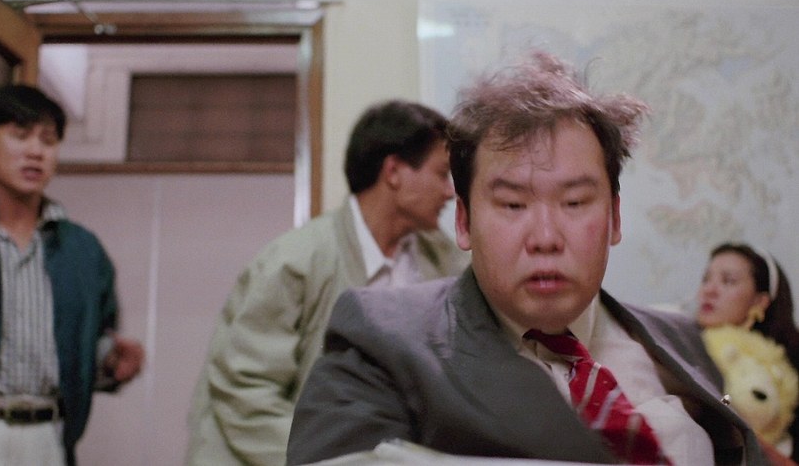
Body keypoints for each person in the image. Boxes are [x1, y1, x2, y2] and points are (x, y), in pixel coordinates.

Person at [286, 52, 770, 465]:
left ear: (615, 218)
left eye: (575, 202)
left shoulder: (684, 340)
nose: (545, 238)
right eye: (513, 205)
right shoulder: (383, 340)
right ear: (464, 222)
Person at [186, 99, 469, 466]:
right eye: (442, 174)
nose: (449, 192)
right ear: (394, 172)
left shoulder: (444, 260)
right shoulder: (294, 262)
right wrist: (333, 458)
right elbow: (245, 392)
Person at [0, 85, 144, 465]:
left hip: (49, 436)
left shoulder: (83, 249)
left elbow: (90, 344)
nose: (36, 151)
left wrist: (112, 362)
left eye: (48, 140)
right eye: (20, 135)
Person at [698, 242, 799, 463]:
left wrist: (749, 441)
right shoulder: (681, 343)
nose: (709, 290)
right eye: (706, 279)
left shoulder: (787, 371)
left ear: (760, 301)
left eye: (728, 281)